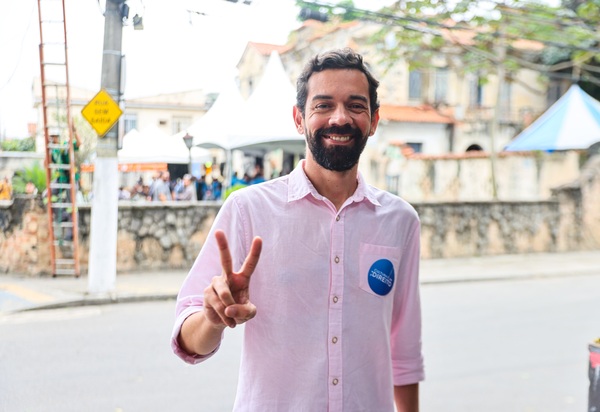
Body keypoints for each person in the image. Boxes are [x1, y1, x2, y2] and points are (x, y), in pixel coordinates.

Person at [171, 48, 424, 411]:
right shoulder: (248, 210)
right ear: (299, 119)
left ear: (373, 120)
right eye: (323, 105)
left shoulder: (400, 220)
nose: (340, 118)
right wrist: (213, 319)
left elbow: (404, 348)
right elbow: (187, 339)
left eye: (355, 105)